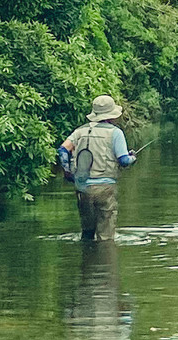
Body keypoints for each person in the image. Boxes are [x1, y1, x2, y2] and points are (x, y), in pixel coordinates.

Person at [58, 95, 136, 241]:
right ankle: (104, 261)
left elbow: (62, 150)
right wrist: (133, 158)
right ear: (112, 116)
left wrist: (68, 172)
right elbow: (124, 161)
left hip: (82, 189)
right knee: (105, 237)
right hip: (104, 188)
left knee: (87, 234)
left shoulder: (79, 131)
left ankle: (87, 261)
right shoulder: (115, 133)